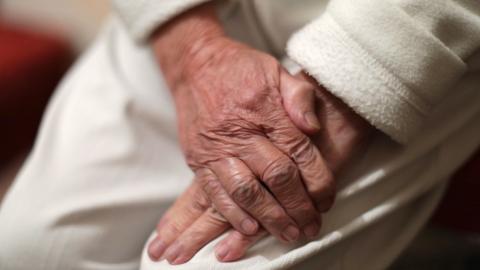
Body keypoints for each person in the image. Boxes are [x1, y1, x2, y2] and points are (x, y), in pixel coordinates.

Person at [1, 0, 479, 269]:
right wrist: (192, 51)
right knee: (31, 251)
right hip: (189, 14)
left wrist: (355, 81)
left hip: (396, 25)